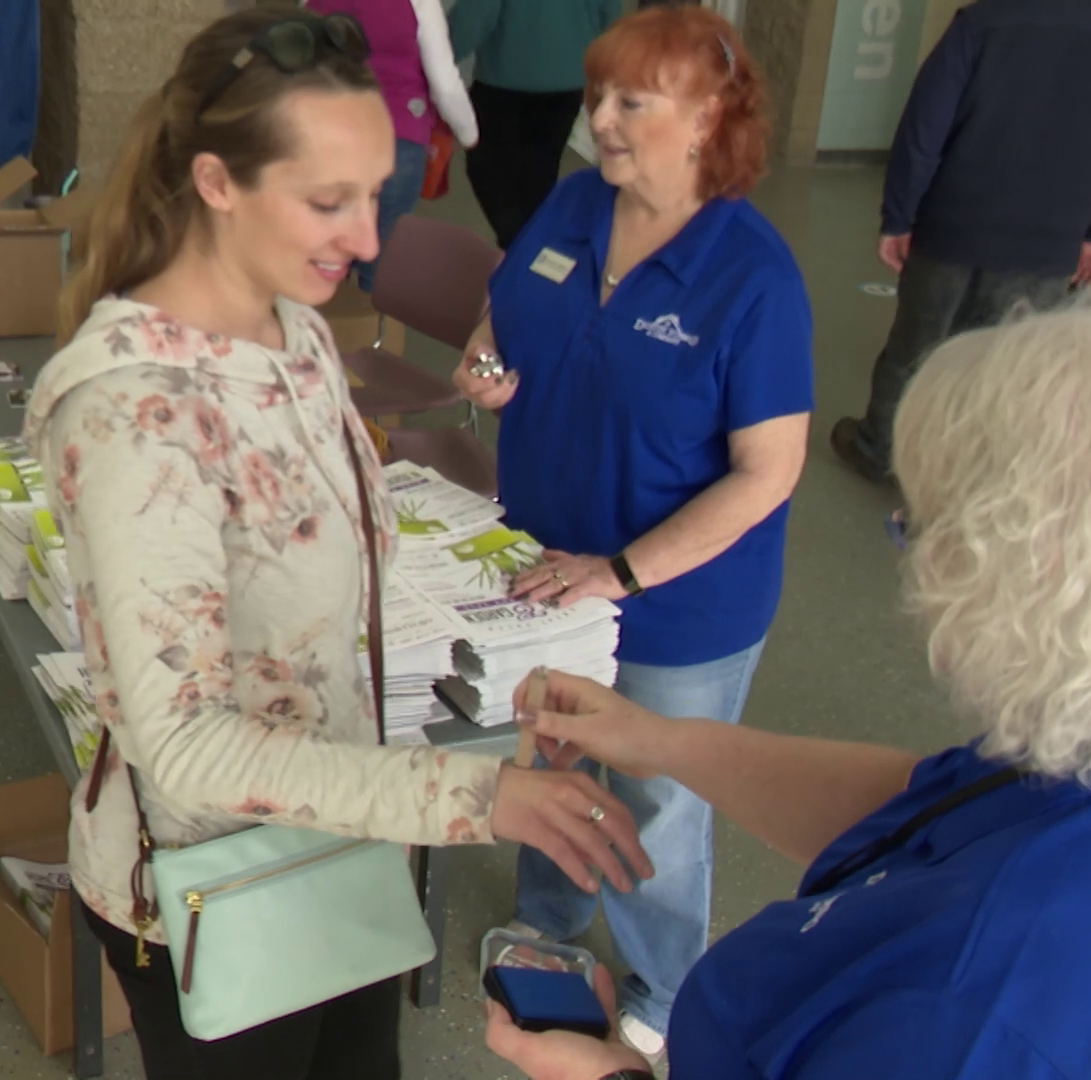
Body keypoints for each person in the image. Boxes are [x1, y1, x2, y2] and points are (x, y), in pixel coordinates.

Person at [20, 8, 651, 1078]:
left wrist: (500, 711)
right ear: (216, 181)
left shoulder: (299, 331)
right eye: (328, 202)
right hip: (209, 888)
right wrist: (477, 796)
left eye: (375, 191)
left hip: (337, 837)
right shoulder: (134, 410)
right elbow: (187, 747)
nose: (367, 238)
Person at [486, 289, 1091, 1080]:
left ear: (1013, 578)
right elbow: (928, 808)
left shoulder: (972, 1020)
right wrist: (656, 740)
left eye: (918, 527)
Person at [451, 5, 812, 1063]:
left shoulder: (755, 277)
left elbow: (769, 476)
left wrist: (619, 573)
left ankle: (663, 982)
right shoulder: (573, 206)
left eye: (629, 103)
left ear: (706, 119)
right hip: (543, 570)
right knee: (557, 758)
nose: (599, 120)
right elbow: (501, 310)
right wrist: (484, 361)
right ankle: (549, 930)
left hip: (678, 601)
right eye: (596, 96)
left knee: (657, 800)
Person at [830, 0, 1091, 485]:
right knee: (1008, 362)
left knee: (918, 345)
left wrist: (899, 215)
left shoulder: (980, 26)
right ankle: (973, 472)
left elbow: (924, 129)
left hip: (952, 227)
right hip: (1049, 243)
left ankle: (881, 450)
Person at [304, 0, 478, 292]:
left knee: (326, 239)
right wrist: (468, 132)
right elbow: (445, 85)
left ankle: (324, 322)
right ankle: (376, 327)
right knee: (382, 250)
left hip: (328, 134)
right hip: (398, 136)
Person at [449, 0, 622, 250]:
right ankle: (533, 252)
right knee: (539, 172)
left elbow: (475, 16)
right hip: (569, 79)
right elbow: (610, 13)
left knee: (489, 168)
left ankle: (521, 249)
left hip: (506, 80)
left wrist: (440, 57)